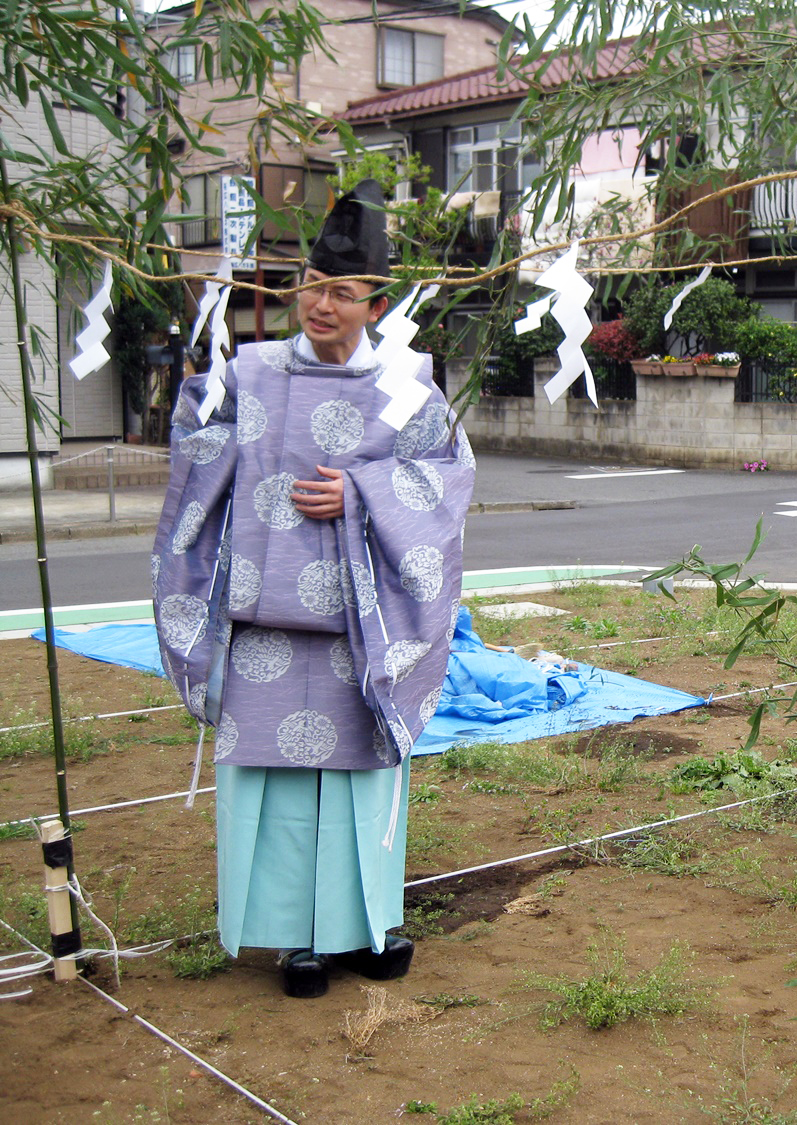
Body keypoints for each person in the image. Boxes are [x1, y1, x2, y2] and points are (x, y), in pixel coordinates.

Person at [152, 181, 475, 998]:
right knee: (277, 786)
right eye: (311, 285)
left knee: (361, 785)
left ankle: (365, 928)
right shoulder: (249, 369)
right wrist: (213, 423)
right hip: (261, 621)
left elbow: (447, 477)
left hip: (363, 629)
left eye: (342, 291)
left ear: (377, 304)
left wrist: (361, 493)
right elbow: (193, 445)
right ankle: (291, 936)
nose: (321, 304)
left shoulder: (409, 384)